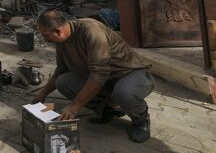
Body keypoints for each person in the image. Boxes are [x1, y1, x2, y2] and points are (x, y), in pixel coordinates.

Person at [33, 9, 155, 143]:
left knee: (124, 92)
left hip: (132, 74)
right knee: (63, 82)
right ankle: (109, 108)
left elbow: (99, 75)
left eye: (46, 35)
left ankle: (141, 119)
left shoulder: (91, 31)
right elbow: (61, 70)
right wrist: (42, 94)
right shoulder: (62, 41)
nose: (45, 40)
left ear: (58, 31)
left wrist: (75, 106)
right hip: (105, 80)